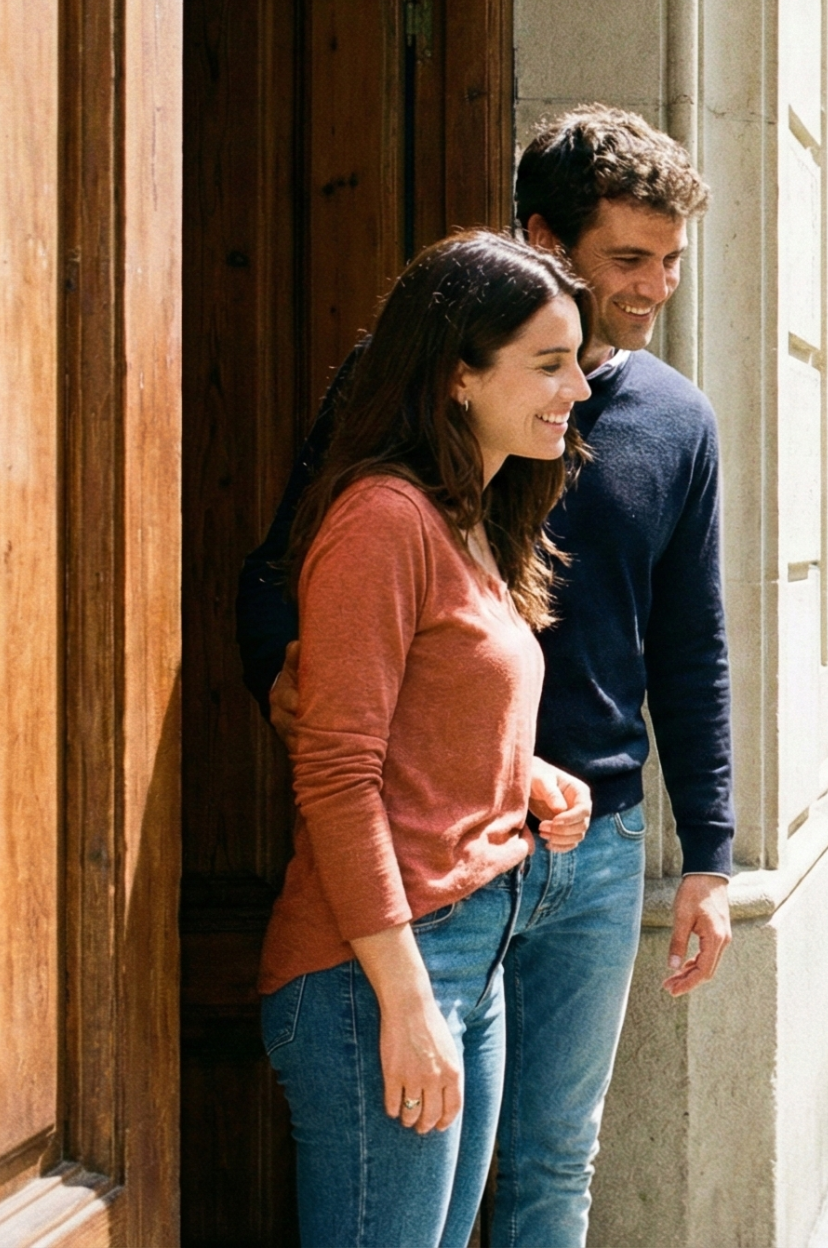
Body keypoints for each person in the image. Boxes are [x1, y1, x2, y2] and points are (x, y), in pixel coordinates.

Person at [241, 107, 733, 1244]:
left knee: (551, 1167)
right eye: (627, 259)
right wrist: (299, 682)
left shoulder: (500, 500)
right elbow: (325, 703)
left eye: (672, 261)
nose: (655, 288)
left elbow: (688, 644)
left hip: (547, 860)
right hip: (405, 908)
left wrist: (556, 784)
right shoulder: (393, 502)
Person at [259, 231, 597, 1246]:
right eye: (548, 363)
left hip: (468, 948)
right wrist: (406, 1004)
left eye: (575, 359)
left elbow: (419, 714)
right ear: (458, 377)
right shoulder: (382, 521)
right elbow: (336, 769)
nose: (578, 387)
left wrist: (526, 775)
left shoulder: (471, 517)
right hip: (379, 971)